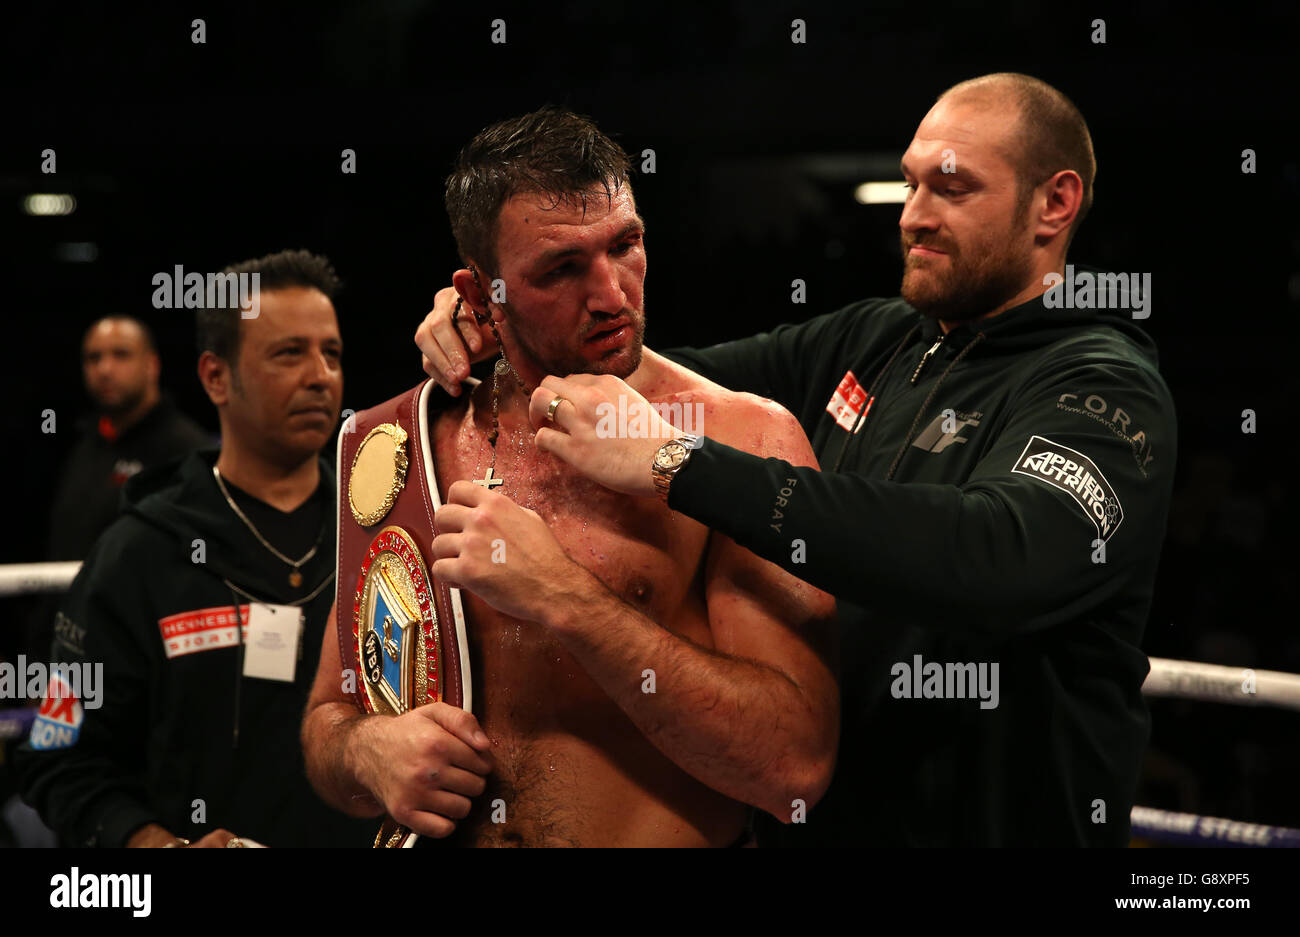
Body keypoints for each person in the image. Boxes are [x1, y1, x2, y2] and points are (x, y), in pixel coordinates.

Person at [415, 74, 1177, 846]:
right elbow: (628, 375)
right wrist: (496, 324)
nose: (914, 215)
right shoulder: (881, 343)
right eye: (911, 183)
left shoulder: (1103, 386)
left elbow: (996, 554)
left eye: (952, 189)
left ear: (1056, 204)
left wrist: (676, 462)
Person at [302, 107, 838, 847]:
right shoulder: (398, 445)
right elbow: (329, 720)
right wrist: (369, 751)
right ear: (479, 290)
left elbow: (793, 765)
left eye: (626, 244)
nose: (613, 294)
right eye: (562, 268)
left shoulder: (740, 438)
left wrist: (566, 599)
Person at [15, 249, 374, 847]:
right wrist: (156, 845)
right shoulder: (137, 553)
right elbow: (57, 753)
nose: (321, 376)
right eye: (289, 353)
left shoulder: (383, 533)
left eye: (331, 353)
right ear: (215, 377)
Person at [47, 316, 211, 562]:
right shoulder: (85, 442)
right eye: (94, 358)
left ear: (152, 364)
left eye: (121, 354)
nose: (104, 369)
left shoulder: (187, 449)